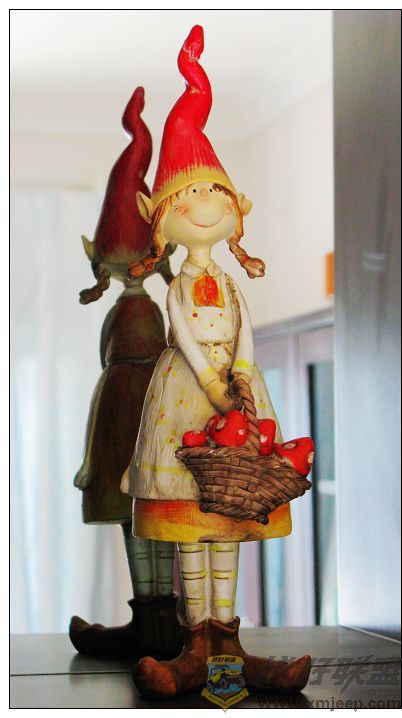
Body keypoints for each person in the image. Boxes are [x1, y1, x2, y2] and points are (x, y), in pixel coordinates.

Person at [120, 27, 311, 696]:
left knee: (230, 516)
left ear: (234, 210)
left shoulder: (229, 284)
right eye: (187, 197)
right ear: (162, 217)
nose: (203, 207)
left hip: (235, 390)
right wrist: (211, 379)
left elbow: (244, 333)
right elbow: (183, 333)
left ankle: (226, 644)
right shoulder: (176, 285)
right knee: (190, 523)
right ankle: (195, 640)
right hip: (186, 394)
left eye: (214, 194)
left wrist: (243, 375)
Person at [69, 87, 182, 660]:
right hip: (126, 424)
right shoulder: (132, 326)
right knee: (138, 515)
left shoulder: (144, 326)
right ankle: (155, 616)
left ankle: (162, 617)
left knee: (156, 513)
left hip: (147, 420)